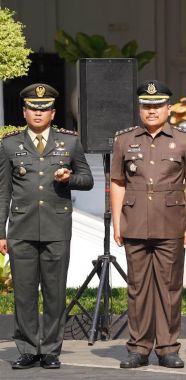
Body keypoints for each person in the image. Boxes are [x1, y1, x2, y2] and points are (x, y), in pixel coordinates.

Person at [0, 83, 94, 370]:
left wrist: (69, 179)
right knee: (25, 293)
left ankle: (51, 349)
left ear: (52, 113)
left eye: (43, 109)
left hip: (56, 227)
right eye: (32, 108)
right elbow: (3, 191)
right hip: (21, 229)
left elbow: (87, 179)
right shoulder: (9, 144)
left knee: (54, 291)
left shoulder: (71, 142)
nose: (38, 113)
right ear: (25, 112)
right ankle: (28, 348)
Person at [110, 80, 186, 369]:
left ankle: (167, 348)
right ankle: (138, 348)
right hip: (134, 223)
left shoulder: (185, 140)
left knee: (169, 288)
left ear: (168, 108)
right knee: (138, 288)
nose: (152, 111)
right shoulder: (124, 140)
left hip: (172, 224)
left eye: (157, 105)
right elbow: (117, 183)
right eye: (147, 106)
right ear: (140, 108)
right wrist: (117, 223)